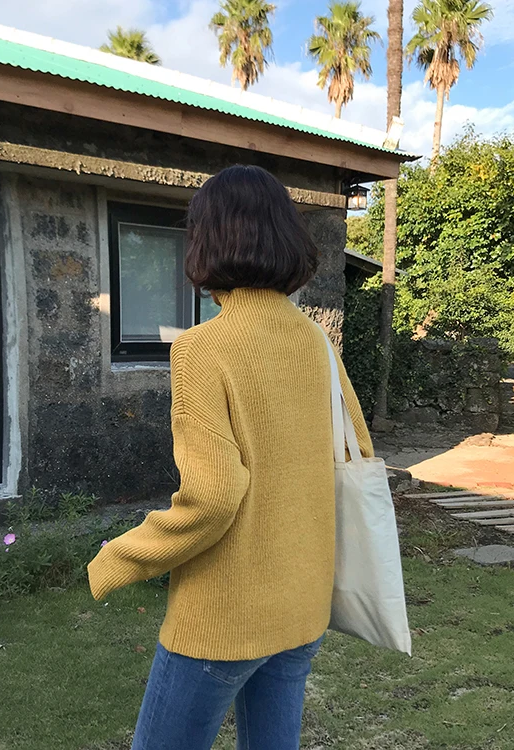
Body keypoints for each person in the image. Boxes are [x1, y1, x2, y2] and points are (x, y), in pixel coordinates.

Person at [88, 164, 373, 750]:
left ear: (207, 242)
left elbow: (213, 497)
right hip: (303, 605)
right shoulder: (317, 341)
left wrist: (119, 558)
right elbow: (357, 452)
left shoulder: (202, 348)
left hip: (224, 616)